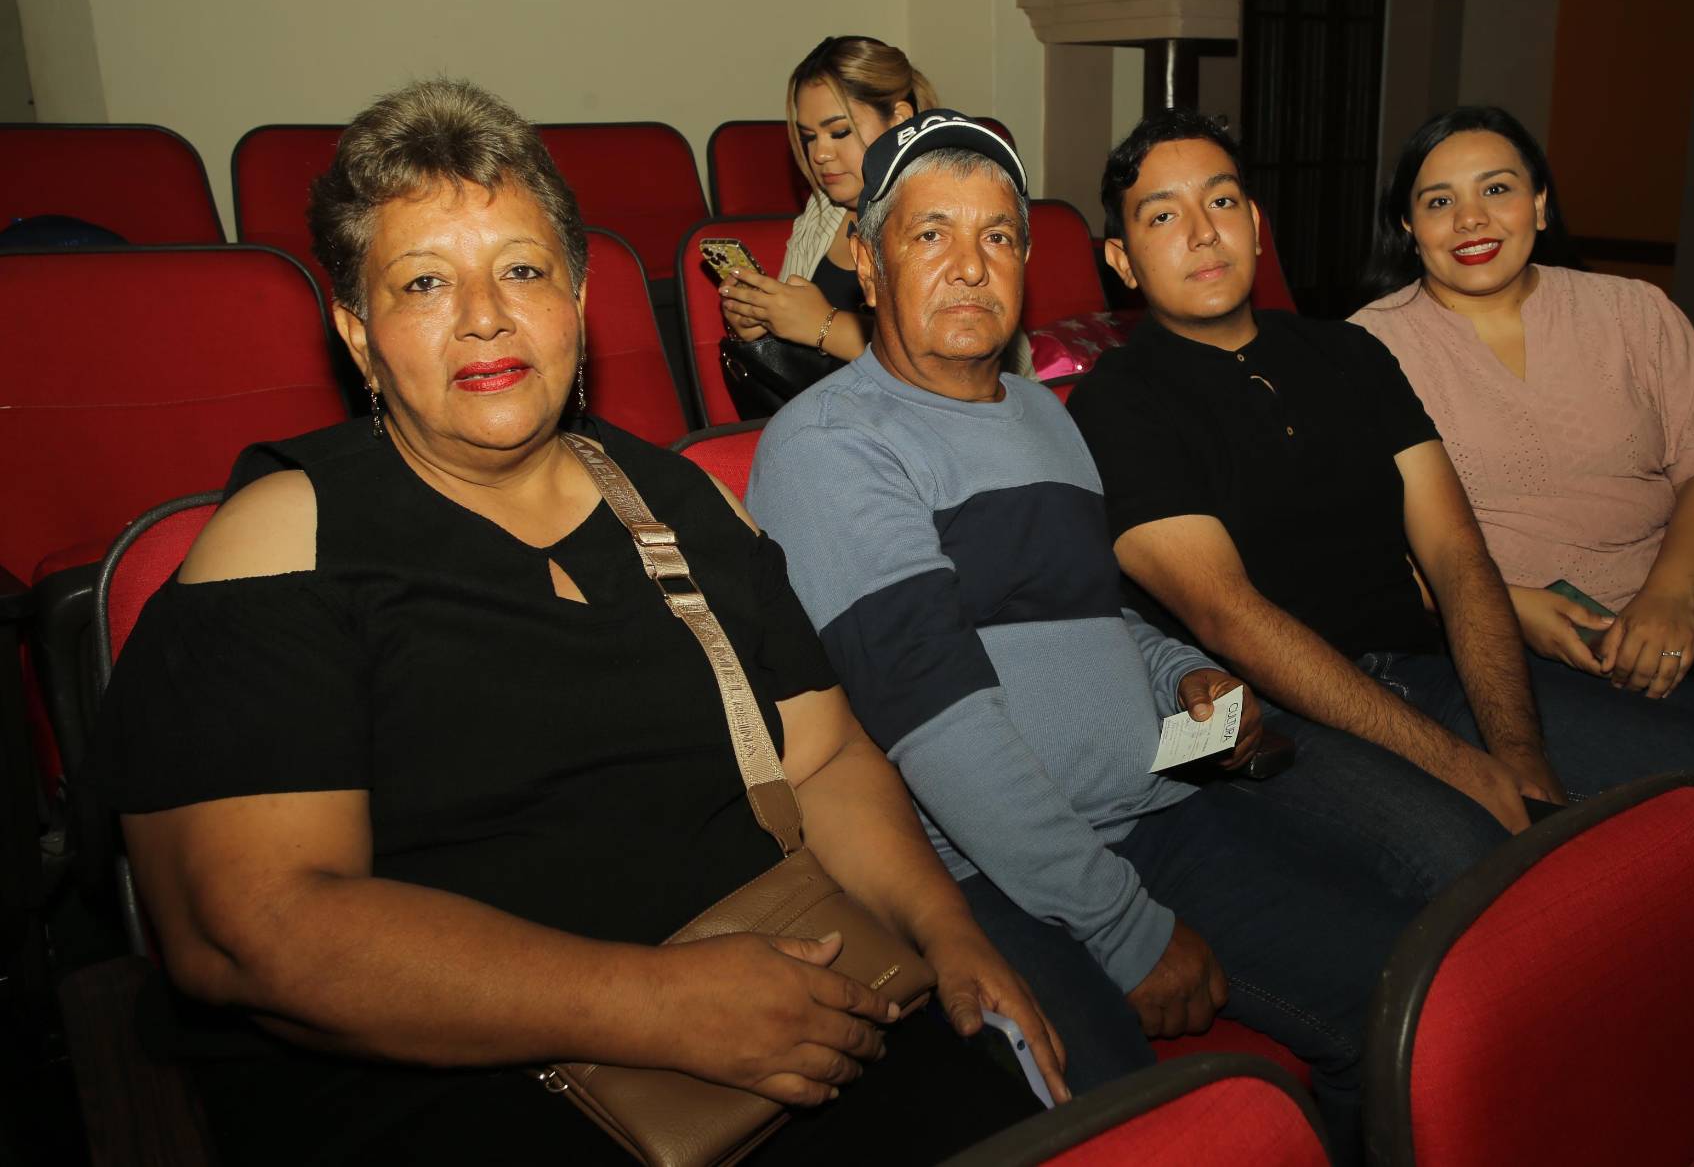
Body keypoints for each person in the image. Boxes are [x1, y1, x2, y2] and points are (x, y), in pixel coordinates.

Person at [94, 78, 1057, 1166]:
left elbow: (826, 758)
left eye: (520, 269)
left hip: (776, 983)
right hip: (456, 1077)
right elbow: (253, 928)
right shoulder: (284, 540)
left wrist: (949, 934)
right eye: (423, 283)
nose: (484, 315)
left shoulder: (684, 503)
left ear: (579, 299)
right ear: (358, 336)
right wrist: (653, 1005)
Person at [747, 109, 1445, 1155]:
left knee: (1414, 995)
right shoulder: (831, 443)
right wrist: (1117, 923)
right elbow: (932, 718)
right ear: (865, 257)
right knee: (1152, 1137)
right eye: (930, 233)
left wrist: (1191, 680)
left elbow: (1097, 611)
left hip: (1165, 799)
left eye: (997, 235)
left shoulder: (1044, 417)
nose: (969, 265)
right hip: (995, 867)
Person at [1065, 109, 1694, 830]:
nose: (1203, 231)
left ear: (1257, 224)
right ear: (1122, 261)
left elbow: (1456, 552)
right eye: (1162, 216)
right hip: (1279, 708)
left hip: (1430, 665)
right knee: (1482, 860)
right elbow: (1227, 612)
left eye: (1222, 200)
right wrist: (1463, 767)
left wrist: (1516, 749)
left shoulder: (1351, 354)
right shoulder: (1117, 401)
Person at [1349, 106, 1694, 735]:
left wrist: (1671, 598)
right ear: (1409, 226)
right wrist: (1507, 611)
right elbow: (1362, 543)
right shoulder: (1367, 350)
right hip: (1515, 643)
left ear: (1540, 205)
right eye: (1439, 201)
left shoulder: (1634, 311)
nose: (1471, 218)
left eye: (1497, 189)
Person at [717, 35, 1031, 384]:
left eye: (839, 132)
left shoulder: (956, 204)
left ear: (898, 119)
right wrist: (762, 321)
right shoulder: (823, 211)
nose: (820, 154)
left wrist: (825, 327)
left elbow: (969, 361)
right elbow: (794, 342)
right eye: (809, 137)